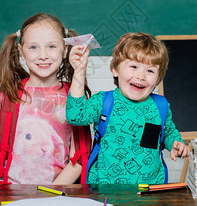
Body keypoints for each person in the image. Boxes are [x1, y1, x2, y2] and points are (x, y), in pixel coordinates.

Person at [0, 13, 91, 185]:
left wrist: (48, 196)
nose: (43, 55)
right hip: (9, 193)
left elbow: (77, 160)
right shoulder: (10, 94)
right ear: (21, 51)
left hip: (55, 195)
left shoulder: (75, 97)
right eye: (33, 47)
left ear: (65, 50)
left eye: (51, 46)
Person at [66, 32, 190, 184]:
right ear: (115, 69)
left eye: (150, 71)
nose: (141, 76)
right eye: (134, 66)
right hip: (104, 189)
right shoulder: (104, 101)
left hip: (148, 191)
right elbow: (75, 115)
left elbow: (168, 132)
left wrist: (175, 144)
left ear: (158, 78)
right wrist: (79, 71)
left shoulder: (160, 105)